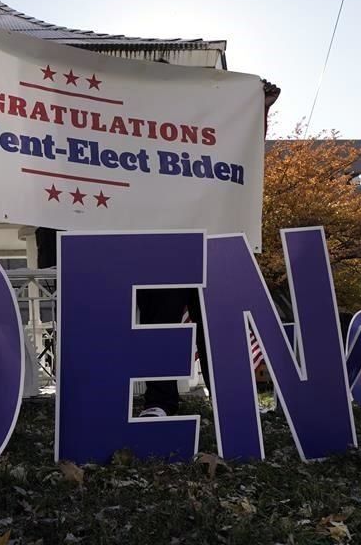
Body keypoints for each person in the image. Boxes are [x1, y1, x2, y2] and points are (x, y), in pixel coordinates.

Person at [36, 78, 281, 417]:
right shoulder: (126, 131)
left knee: (216, 323)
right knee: (160, 322)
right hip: (160, 244)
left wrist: (256, 105)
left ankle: (234, 399)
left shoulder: (201, 130)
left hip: (207, 239)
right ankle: (161, 402)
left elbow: (240, 144)